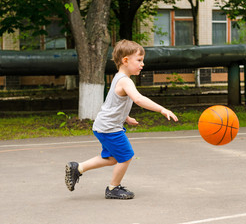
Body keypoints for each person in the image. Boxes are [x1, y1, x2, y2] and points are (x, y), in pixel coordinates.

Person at [65, 39, 178, 200]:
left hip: (104, 126)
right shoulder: (125, 81)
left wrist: (126, 117)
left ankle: (78, 168)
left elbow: (114, 104)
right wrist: (161, 109)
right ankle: (113, 188)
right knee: (126, 155)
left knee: (111, 159)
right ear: (125, 60)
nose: (142, 64)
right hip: (109, 128)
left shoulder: (119, 78)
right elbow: (138, 99)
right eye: (139, 60)